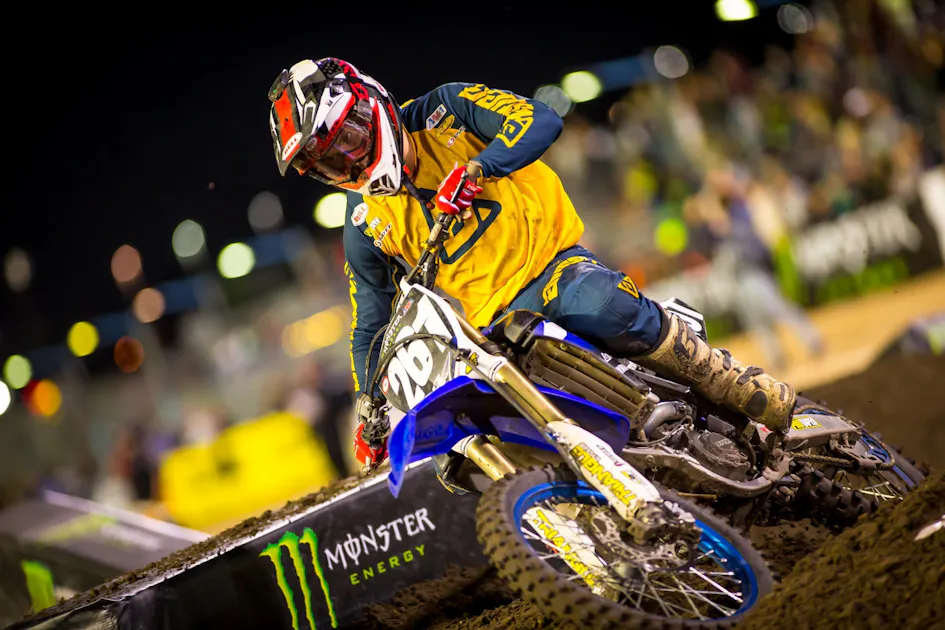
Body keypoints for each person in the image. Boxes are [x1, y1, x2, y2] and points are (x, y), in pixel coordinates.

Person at [267, 58, 796, 468]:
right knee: (484, 429)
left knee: (599, 304)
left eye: (348, 140)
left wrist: (479, 168)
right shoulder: (364, 223)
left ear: (370, 103)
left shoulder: (444, 109)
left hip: (552, 268)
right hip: (490, 332)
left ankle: (721, 376)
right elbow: (370, 323)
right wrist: (369, 409)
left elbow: (538, 118)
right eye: (329, 163)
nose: (349, 162)